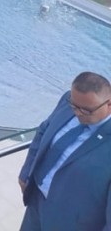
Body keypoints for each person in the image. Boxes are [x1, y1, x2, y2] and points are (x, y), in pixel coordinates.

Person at [18, 71, 111, 230]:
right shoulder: (68, 101)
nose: (77, 113)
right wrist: (26, 171)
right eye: (74, 106)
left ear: (109, 104)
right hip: (36, 204)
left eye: (86, 110)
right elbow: (43, 130)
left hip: (71, 223)